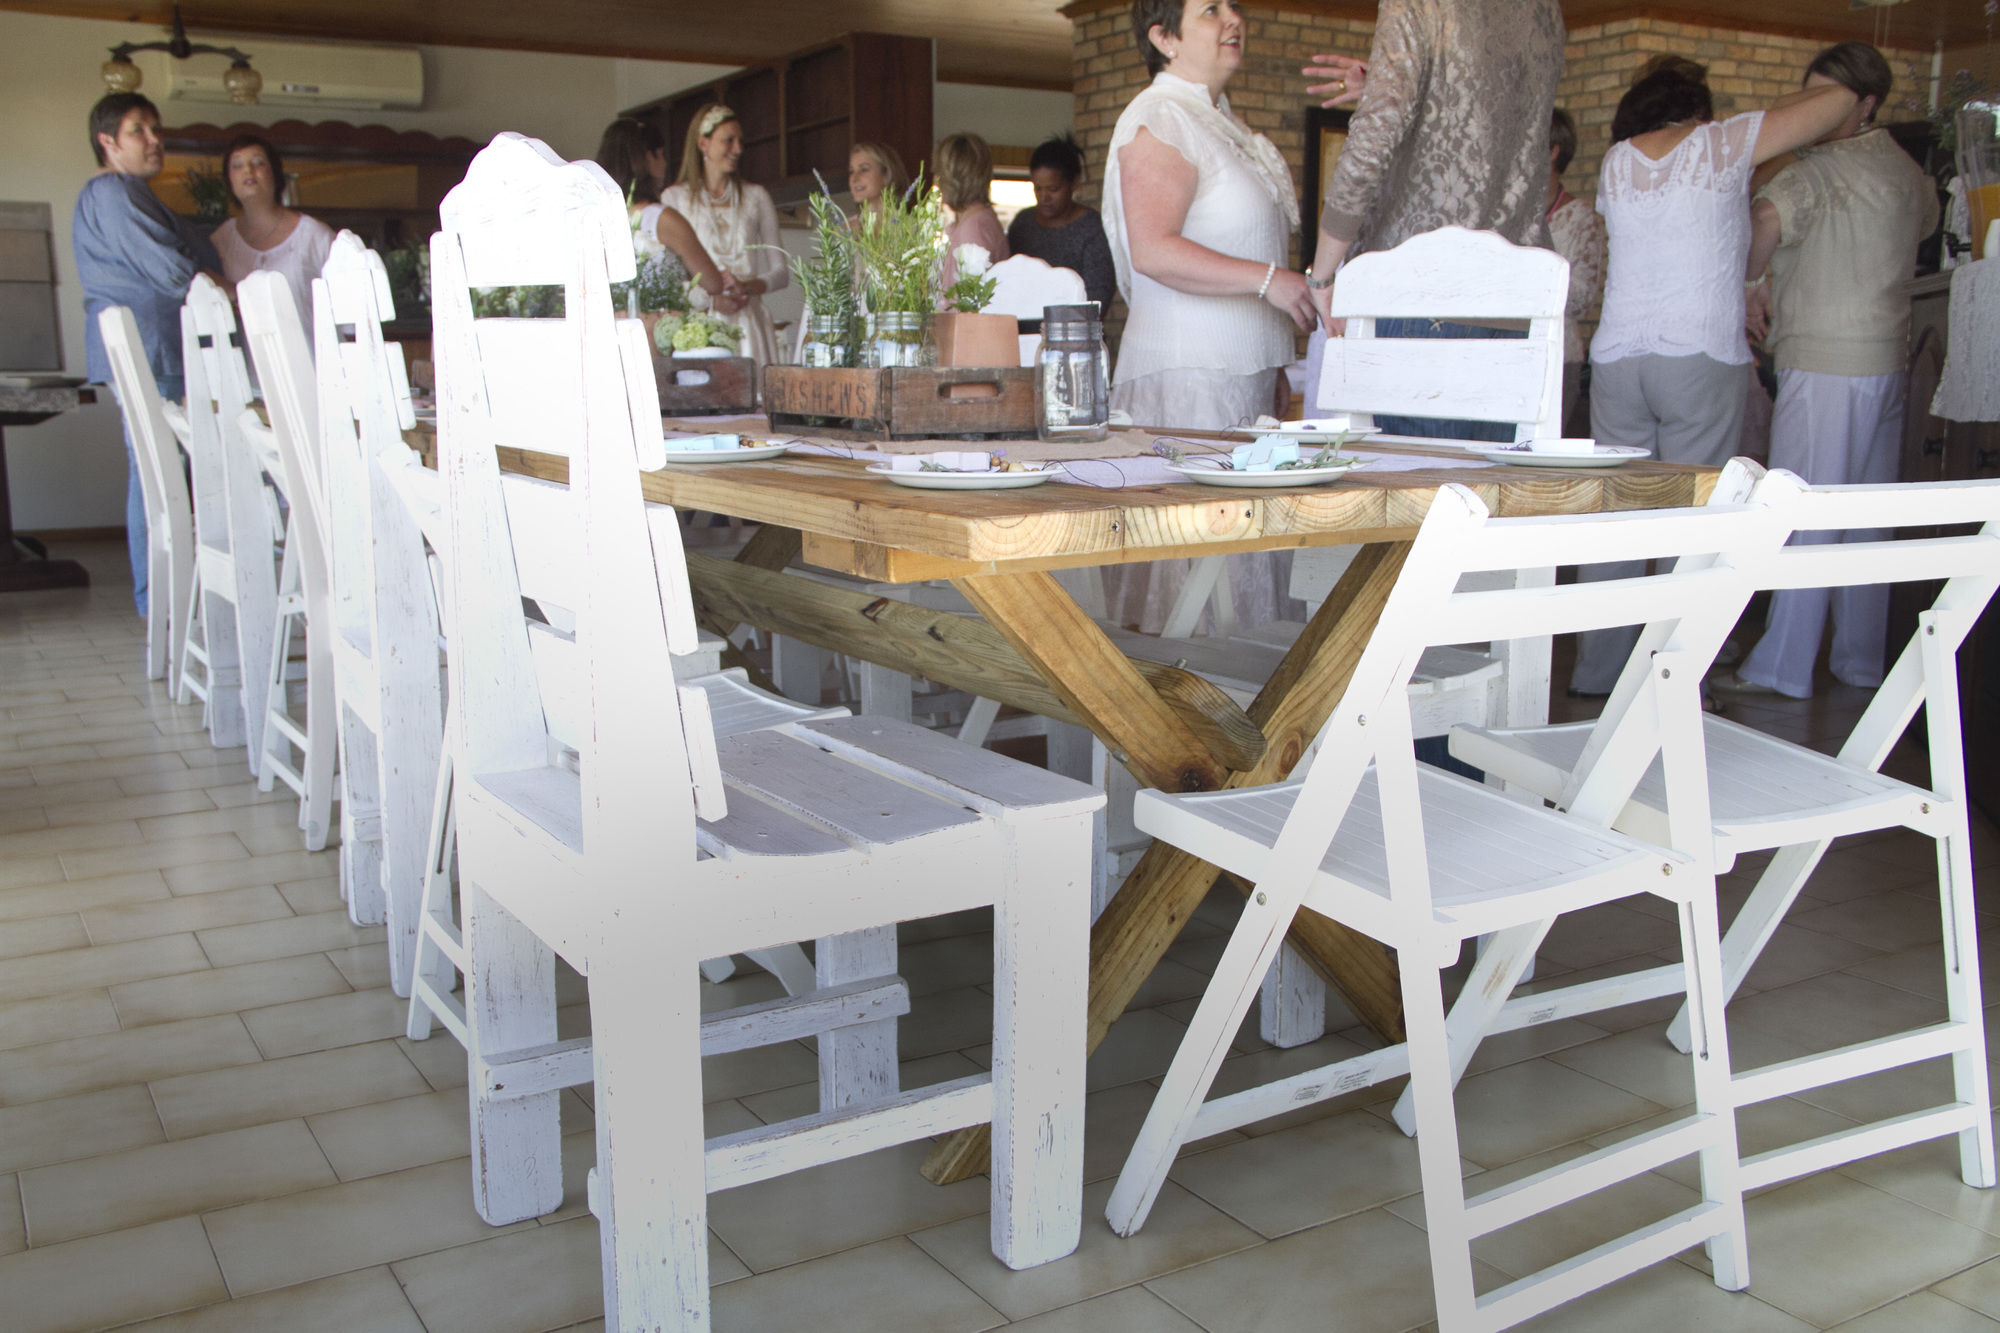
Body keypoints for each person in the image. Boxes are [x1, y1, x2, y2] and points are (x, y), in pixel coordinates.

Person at [1567, 55, 1863, 695]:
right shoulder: (1720, 142)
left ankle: (1598, 674)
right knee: (1698, 523)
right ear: (1697, 109)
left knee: (1617, 518)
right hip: (1698, 354)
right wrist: (1756, 119)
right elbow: (1839, 102)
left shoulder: (1618, 161)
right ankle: (1678, 679)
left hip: (1618, 358)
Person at [1716, 43, 1939, 700]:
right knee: (1867, 521)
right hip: (1889, 356)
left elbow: (1761, 221)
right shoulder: (1907, 170)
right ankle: (1861, 661)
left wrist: (1752, 277)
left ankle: (1781, 666)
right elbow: (1926, 224)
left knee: (1800, 511)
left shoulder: (1809, 173)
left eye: (1827, 100)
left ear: (1864, 104)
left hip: (1822, 357)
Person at [1100, 0, 1315, 632]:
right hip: (1189, 378)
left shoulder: (1221, 121)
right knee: (1195, 578)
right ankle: (1191, 719)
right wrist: (1271, 283)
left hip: (1241, 379)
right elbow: (1154, 249)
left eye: (1234, 6)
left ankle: (1245, 717)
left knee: (1240, 571)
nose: (1232, 20)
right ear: (1163, 37)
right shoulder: (1161, 116)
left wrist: (1275, 357)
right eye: (1209, 11)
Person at [1297, 0, 1564, 440]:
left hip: (1421, 291)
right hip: (1515, 300)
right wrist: (1392, 85)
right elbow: (1491, 117)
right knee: (1486, 496)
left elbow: (1373, 139)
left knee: (1418, 496)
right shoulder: (1545, 9)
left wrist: (1323, 275)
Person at [73, 91, 223, 617]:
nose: (155, 140)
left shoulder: (126, 194)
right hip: (154, 350)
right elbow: (171, 270)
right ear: (108, 141)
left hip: (149, 350)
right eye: (139, 130)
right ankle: (161, 598)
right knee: (160, 471)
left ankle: (161, 598)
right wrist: (237, 294)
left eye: (156, 129)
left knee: (157, 470)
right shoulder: (115, 191)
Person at [661, 104, 790, 367]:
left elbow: (781, 271)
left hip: (749, 325)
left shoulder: (756, 196)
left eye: (740, 141)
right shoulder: (674, 198)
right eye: (728, 140)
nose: (738, 149)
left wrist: (746, 287)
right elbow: (668, 277)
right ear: (703, 143)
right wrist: (710, 296)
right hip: (699, 326)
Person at [592, 117, 739, 317]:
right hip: (655, 333)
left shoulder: (594, 218)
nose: (665, 162)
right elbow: (712, 282)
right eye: (660, 155)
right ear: (647, 158)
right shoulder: (662, 218)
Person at [207, 133, 334, 325]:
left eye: (258, 162)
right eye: (237, 165)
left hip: (311, 353)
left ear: (274, 172)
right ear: (229, 179)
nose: (248, 170)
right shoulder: (220, 241)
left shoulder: (315, 236)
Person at [1006, 133, 1117, 312]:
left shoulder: (1091, 228)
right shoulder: (1023, 224)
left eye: (1053, 189)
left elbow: (1098, 297)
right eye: (1037, 189)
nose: (1044, 197)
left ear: (1074, 182)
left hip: (1078, 332)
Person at [1546, 108, 1607, 433]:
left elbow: (1583, 297)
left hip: (1560, 354)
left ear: (1554, 151)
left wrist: (1529, 282)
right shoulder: (1510, 210)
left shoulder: (1580, 216)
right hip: (1509, 348)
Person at [935, 132, 1008, 298]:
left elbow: (970, 303)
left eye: (940, 174)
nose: (938, 183)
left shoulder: (974, 227)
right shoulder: (974, 221)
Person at [847, 141, 909, 219]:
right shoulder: (842, 229)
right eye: (851, 171)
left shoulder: (912, 227)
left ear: (886, 175)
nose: (854, 178)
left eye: (864, 169)